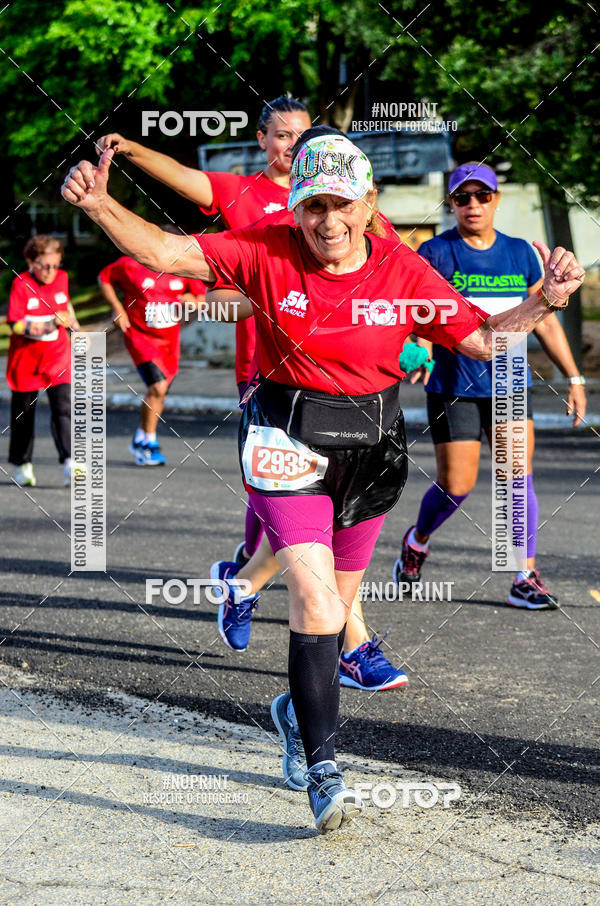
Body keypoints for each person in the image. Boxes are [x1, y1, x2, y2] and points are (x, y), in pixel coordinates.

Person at [61, 134, 584, 832]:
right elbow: (164, 251)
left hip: (372, 450)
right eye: (312, 206)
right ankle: (323, 764)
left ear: (368, 205)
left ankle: (292, 709)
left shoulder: (403, 269)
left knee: (340, 606)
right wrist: (100, 205)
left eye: (342, 204)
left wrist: (546, 301)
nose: (327, 221)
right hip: (285, 438)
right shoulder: (266, 249)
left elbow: (485, 338)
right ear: (295, 206)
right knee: (314, 601)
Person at [208, 127, 409, 693]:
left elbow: (398, 286)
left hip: (358, 403)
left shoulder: (368, 223)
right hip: (277, 394)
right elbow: (213, 298)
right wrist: (268, 296)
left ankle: (243, 586)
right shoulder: (272, 227)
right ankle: (353, 646)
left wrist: (409, 340)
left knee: (320, 529)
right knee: (306, 531)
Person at [97, 96, 311, 555]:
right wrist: (131, 148)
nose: (294, 145)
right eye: (283, 135)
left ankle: (269, 576)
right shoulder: (240, 191)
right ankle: (250, 571)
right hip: (260, 365)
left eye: (302, 135)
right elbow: (180, 176)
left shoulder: (328, 199)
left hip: (327, 360)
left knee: (317, 482)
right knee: (272, 479)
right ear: (262, 140)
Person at [393, 162, 587, 610]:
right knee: (455, 486)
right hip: (453, 385)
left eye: (482, 196)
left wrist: (573, 377)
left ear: (497, 199)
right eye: (463, 197)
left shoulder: (520, 253)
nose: (473, 205)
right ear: (452, 203)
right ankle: (418, 541)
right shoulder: (435, 252)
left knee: (517, 482)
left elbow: (545, 323)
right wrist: (417, 345)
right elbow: (419, 312)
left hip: (509, 386)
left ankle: (523, 575)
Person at [98, 248, 205, 465]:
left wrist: (192, 302)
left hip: (169, 341)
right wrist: (117, 307)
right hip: (140, 336)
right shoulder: (131, 264)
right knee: (157, 387)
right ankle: (148, 442)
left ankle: (140, 438)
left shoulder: (183, 269)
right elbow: (104, 277)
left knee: (160, 392)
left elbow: (202, 298)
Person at [6, 235, 79, 487]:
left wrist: (75, 326)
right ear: (30, 261)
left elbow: (65, 304)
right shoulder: (21, 283)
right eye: (44, 265)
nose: (50, 271)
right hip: (26, 360)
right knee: (24, 413)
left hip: (57, 356)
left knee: (63, 408)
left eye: (55, 265)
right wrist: (50, 322)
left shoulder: (63, 278)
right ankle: (22, 463)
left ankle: (71, 462)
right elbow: (15, 325)